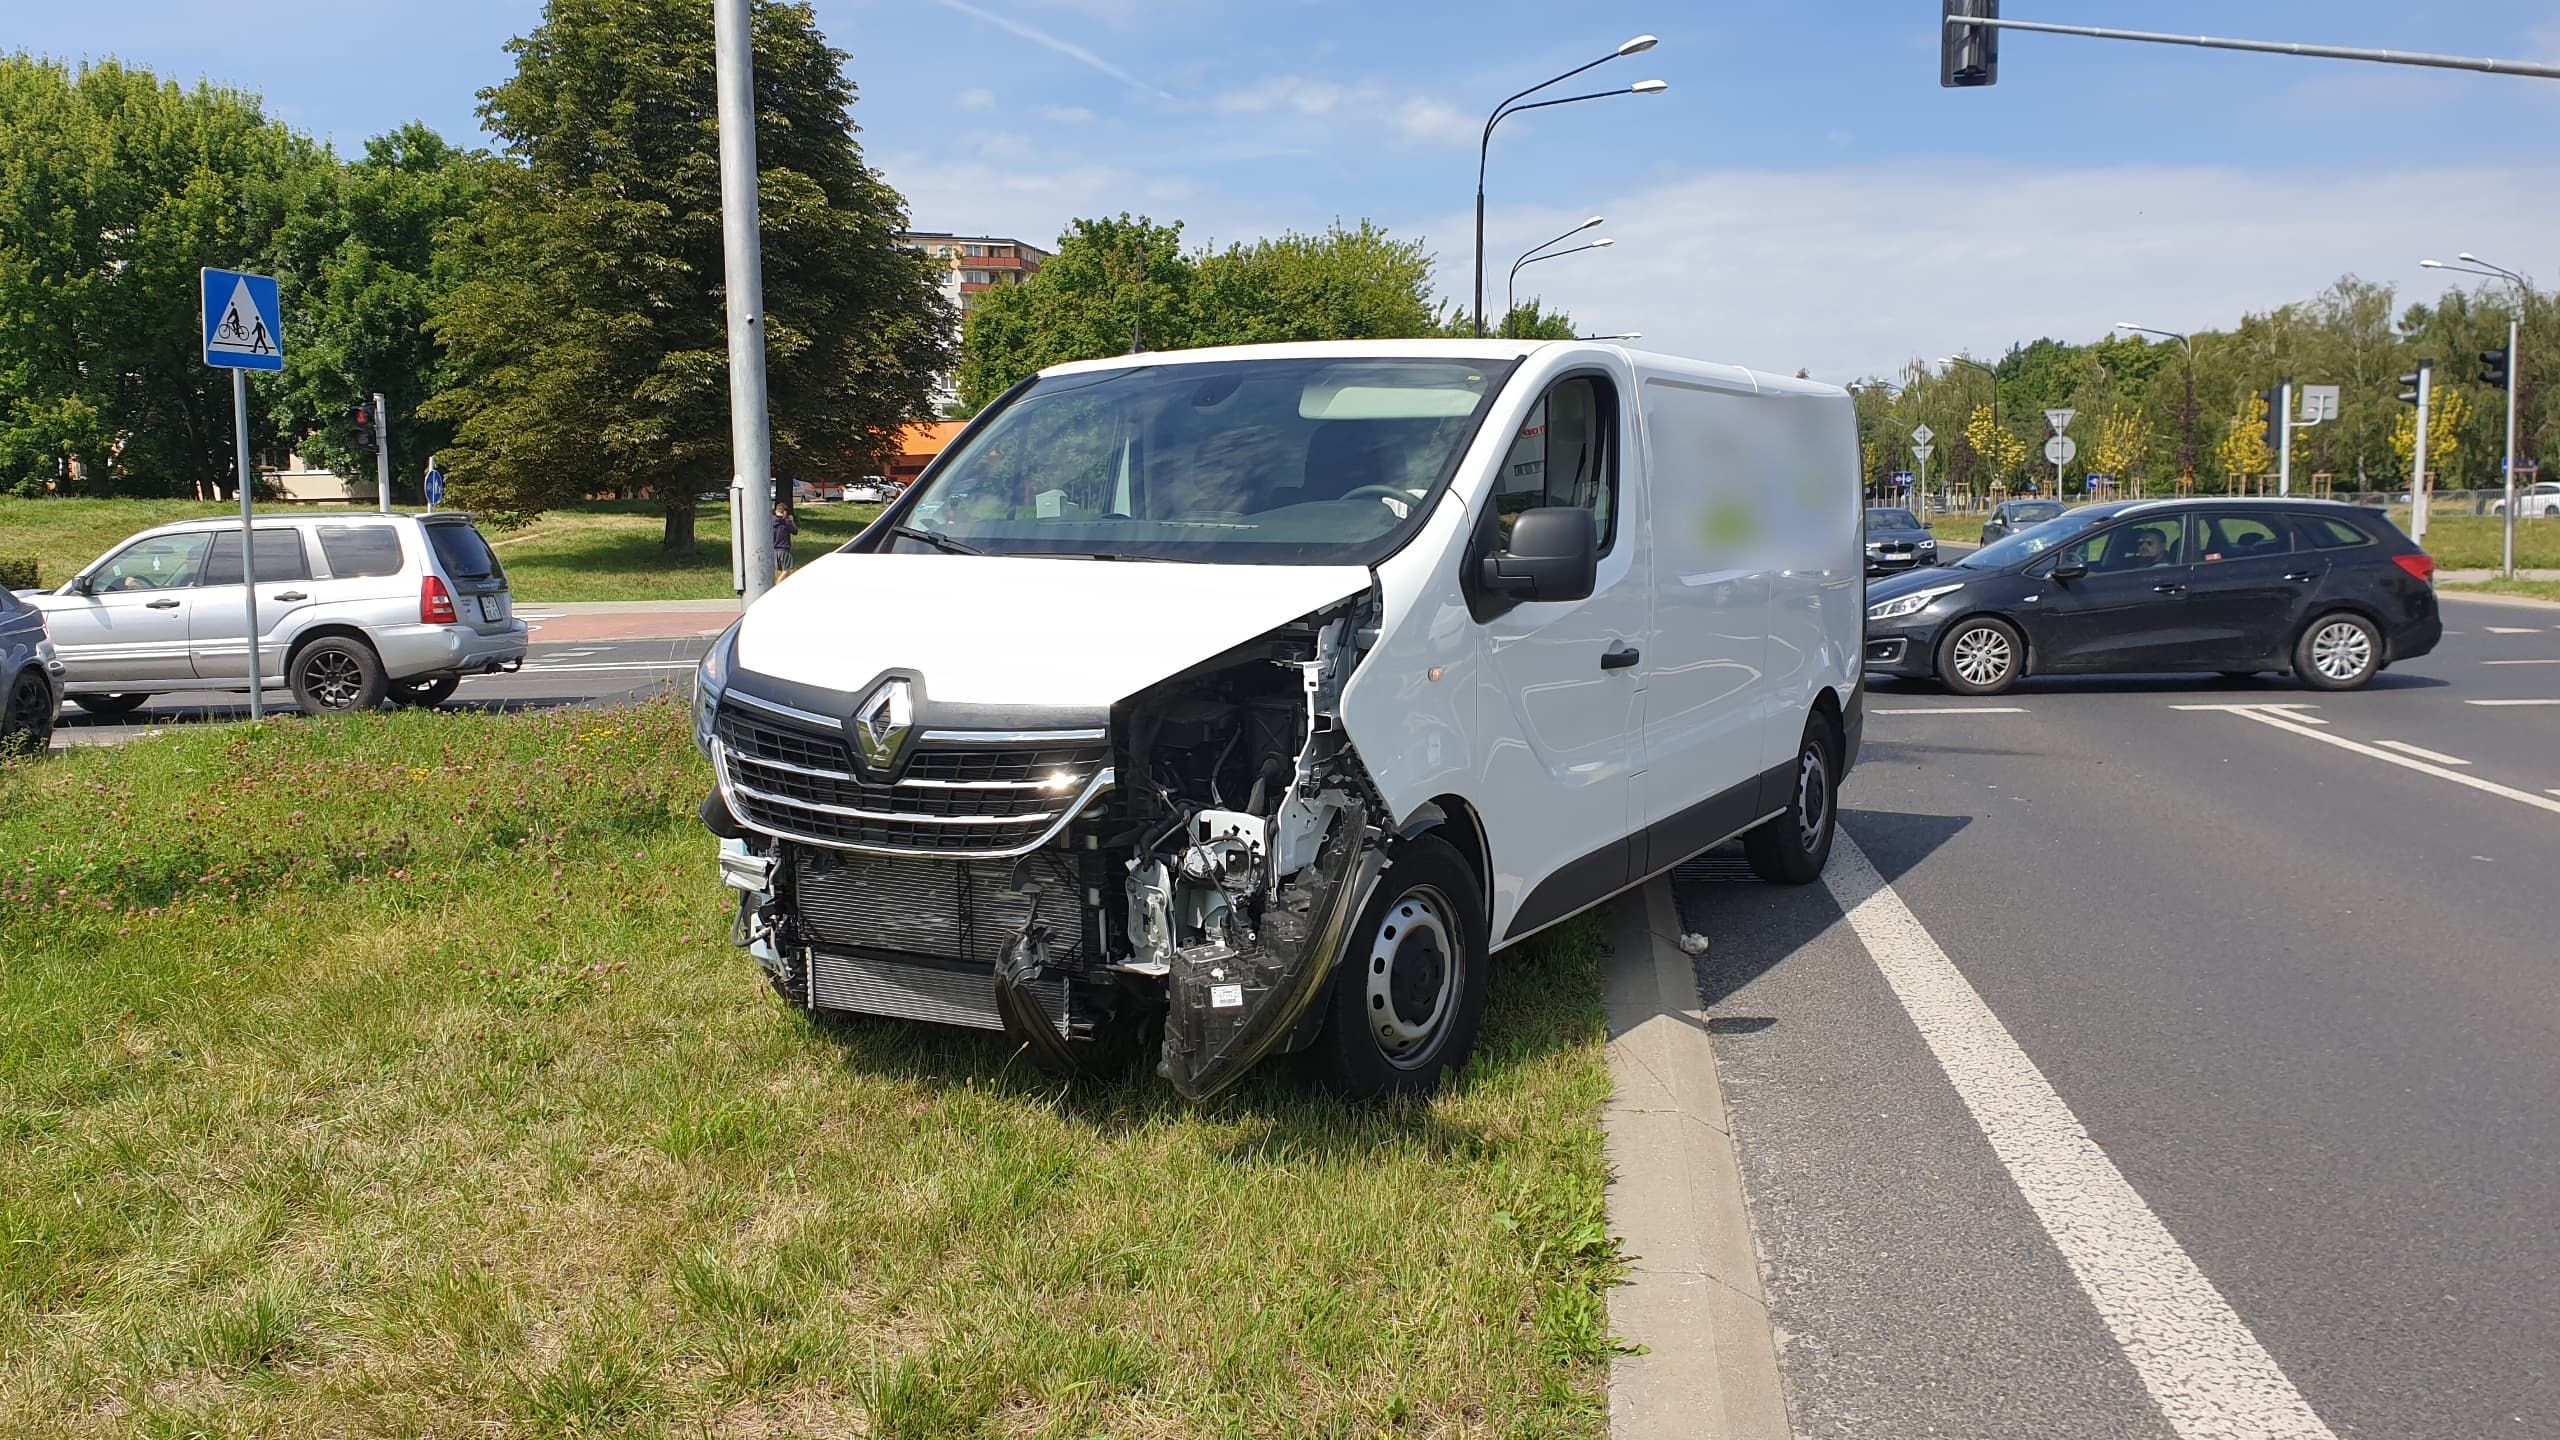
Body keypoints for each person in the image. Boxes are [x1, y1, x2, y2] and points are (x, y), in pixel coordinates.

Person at [771, 501, 799, 578]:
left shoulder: (770, 521)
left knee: (776, 570)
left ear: (776, 511)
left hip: (773, 549)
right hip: (783, 548)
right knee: (786, 570)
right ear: (785, 512)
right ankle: (777, 585)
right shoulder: (786, 522)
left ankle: (774, 583)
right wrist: (791, 521)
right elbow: (795, 531)